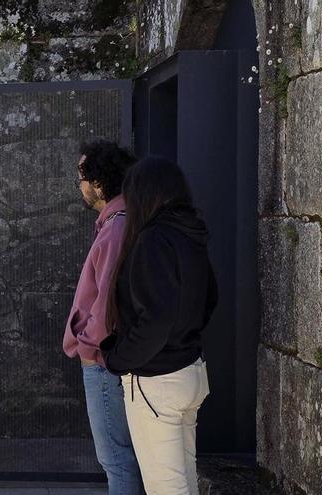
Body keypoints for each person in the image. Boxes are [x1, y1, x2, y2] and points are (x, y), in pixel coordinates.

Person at [100, 156, 218, 495]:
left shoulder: (152, 239)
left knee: (166, 487)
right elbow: (209, 298)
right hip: (189, 372)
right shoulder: (189, 235)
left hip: (158, 381)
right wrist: (183, 337)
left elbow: (156, 318)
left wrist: (119, 358)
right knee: (183, 483)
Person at [62, 140, 142, 494]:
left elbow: (107, 300)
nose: (78, 186)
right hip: (107, 356)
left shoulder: (115, 229)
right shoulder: (119, 223)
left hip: (102, 360)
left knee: (115, 459)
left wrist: (87, 347)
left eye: (81, 178)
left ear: (98, 182)